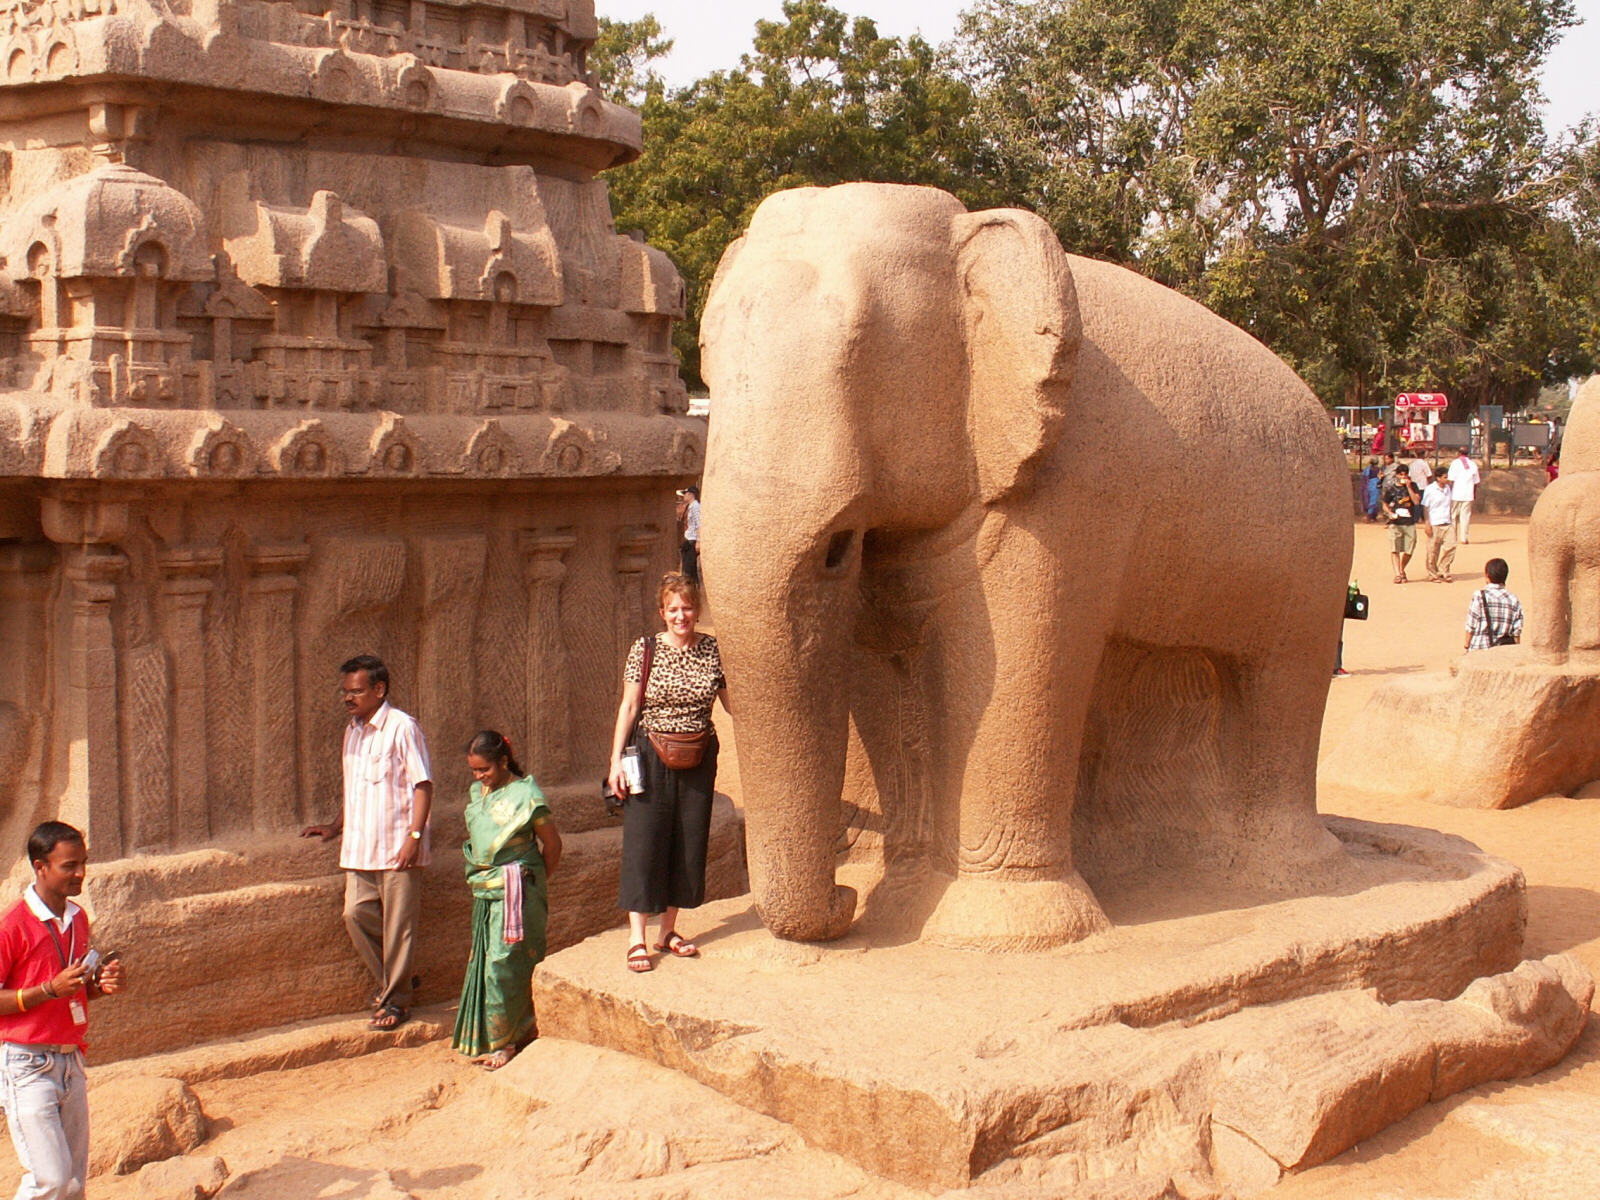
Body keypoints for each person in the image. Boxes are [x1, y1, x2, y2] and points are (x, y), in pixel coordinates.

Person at [302, 654, 433, 1031]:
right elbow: (355, 787)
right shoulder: (353, 730)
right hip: (360, 846)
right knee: (355, 915)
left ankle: (396, 1003)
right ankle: (400, 983)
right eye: (345, 691)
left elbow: (423, 784)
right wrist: (336, 825)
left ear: (379, 689)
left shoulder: (402, 727)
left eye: (356, 691)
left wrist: (415, 837)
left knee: (399, 927)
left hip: (397, 847)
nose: (348, 698)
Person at [608, 573, 728, 973]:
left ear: (698, 611)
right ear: (662, 612)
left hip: (698, 755)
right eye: (673, 609)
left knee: (687, 840)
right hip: (650, 753)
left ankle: (668, 931)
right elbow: (628, 707)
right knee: (645, 841)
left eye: (688, 608)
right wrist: (614, 764)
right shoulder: (644, 649)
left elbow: (733, 704)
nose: (682, 616)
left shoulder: (713, 650)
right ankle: (637, 937)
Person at [0, 821, 127, 1200]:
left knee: (72, 1185)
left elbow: (75, 993)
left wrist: (100, 985)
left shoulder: (78, 918)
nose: (81, 873)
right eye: (69, 865)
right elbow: (47, 991)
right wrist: (47, 990)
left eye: (83, 863)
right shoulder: (12, 926)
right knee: (51, 1180)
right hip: (26, 1064)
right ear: (40, 867)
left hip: (71, 1061)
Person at [452, 731, 562, 1071]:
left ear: (503, 761)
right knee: (487, 961)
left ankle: (506, 1043)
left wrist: (532, 882)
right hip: (486, 890)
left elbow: (553, 845)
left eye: (484, 769)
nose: (479, 777)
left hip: (517, 890)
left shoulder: (527, 796)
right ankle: (506, 1033)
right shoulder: (480, 793)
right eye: (474, 771)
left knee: (506, 961)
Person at [1465, 559, 1524, 651]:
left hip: (1480, 649)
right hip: (1503, 651)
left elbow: (1471, 625)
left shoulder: (1479, 596)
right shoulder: (1513, 600)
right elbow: (1516, 631)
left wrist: (1467, 644)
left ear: (1487, 576)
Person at [1380, 466, 1421, 583]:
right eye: (1401, 475)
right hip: (1395, 523)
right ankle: (1398, 574)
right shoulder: (1391, 489)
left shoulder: (1413, 486)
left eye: (1405, 475)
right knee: (1395, 549)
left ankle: (1402, 568)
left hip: (1409, 523)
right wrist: (1389, 513)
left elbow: (1416, 501)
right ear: (1397, 475)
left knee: (1409, 549)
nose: (1403, 477)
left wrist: (1409, 487)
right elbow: (1385, 504)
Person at [1420, 471, 1456, 583]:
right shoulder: (1430, 489)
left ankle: (1443, 569)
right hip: (1434, 523)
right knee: (1432, 551)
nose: (1447, 479)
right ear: (1438, 478)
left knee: (1451, 546)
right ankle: (1432, 573)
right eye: (1445, 477)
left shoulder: (1448, 489)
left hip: (1447, 522)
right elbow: (1426, 507)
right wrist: (1427, 524)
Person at [1447, 449, 1481, 545]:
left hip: (1456, 494)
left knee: (1453, 516)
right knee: (1465, 516)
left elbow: (1451, 480)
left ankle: (1452, 538)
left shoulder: (1455, 463)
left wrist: (1448, 492)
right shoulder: (1473, 464)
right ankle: (1464, 538)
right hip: (1468, 494)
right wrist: (1473, 494)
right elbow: (1476, 482)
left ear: (1458, 453)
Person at [677, 486, 702, 583]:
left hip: (692, 540)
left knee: (689, 570)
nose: (684, 496)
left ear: (691, 495)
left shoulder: (695, 507)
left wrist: (699, 541)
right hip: (688, 540)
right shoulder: (690, 506)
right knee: (688, 569)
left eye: (686, 494)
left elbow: (699, 523)